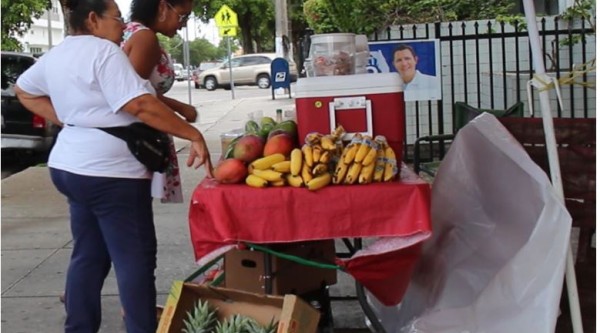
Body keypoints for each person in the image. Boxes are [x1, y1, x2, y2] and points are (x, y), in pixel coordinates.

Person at [14, 0, 213, 331]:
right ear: (93, 19)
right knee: (134, 260)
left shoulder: (58, 54)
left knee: (88, 255)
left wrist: (74, 122)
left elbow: (25, 90)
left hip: (69, 168)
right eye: (117, 19)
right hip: (112, 174)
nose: (123, 26)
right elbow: (139, 104)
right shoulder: (105, 53)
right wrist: (191, 133)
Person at [121, 0, 195, 203]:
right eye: (183, 16)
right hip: (134, 139)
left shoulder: (132, 32)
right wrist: (189, 129)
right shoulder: (144, 38)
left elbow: (140, 89)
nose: (184, 24)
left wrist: (179, 107)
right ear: (163, 7)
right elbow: (135, 97)